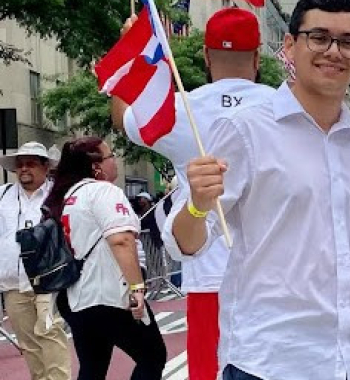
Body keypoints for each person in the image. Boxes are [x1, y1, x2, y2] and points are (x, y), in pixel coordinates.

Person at [163, 1, 350, 379]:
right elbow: (186, 244)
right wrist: (198, 205)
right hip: (270, 360)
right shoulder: (245, 130)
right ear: (289, 46)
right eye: (318, 37)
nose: (333, 51)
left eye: (348, 42)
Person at [112, 8, 275, 380]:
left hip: (207, 273)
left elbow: (123, 117)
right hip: (274, 279)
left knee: (207, 372)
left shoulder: (182, 110)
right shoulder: (285, 107)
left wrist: (130, 51)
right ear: (256, 56)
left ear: (204, 55)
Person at [46, 137, 167, 379]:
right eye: (111, 156)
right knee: (152, 355)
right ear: (96, 166)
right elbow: (121, 240)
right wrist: (137, 287)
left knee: (93, 367)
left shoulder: (67, 196)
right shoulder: (103, 191)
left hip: (78, 297)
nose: (116, 161)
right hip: (110, 293)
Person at [0, 142, 70, 380]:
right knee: (28, 344)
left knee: (50, 332)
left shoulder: (58, 196)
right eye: (19, 165)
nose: (24, 169)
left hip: (48, 281)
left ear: (45, 166)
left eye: (30, 163)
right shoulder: (3, 195)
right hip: (12, 283)